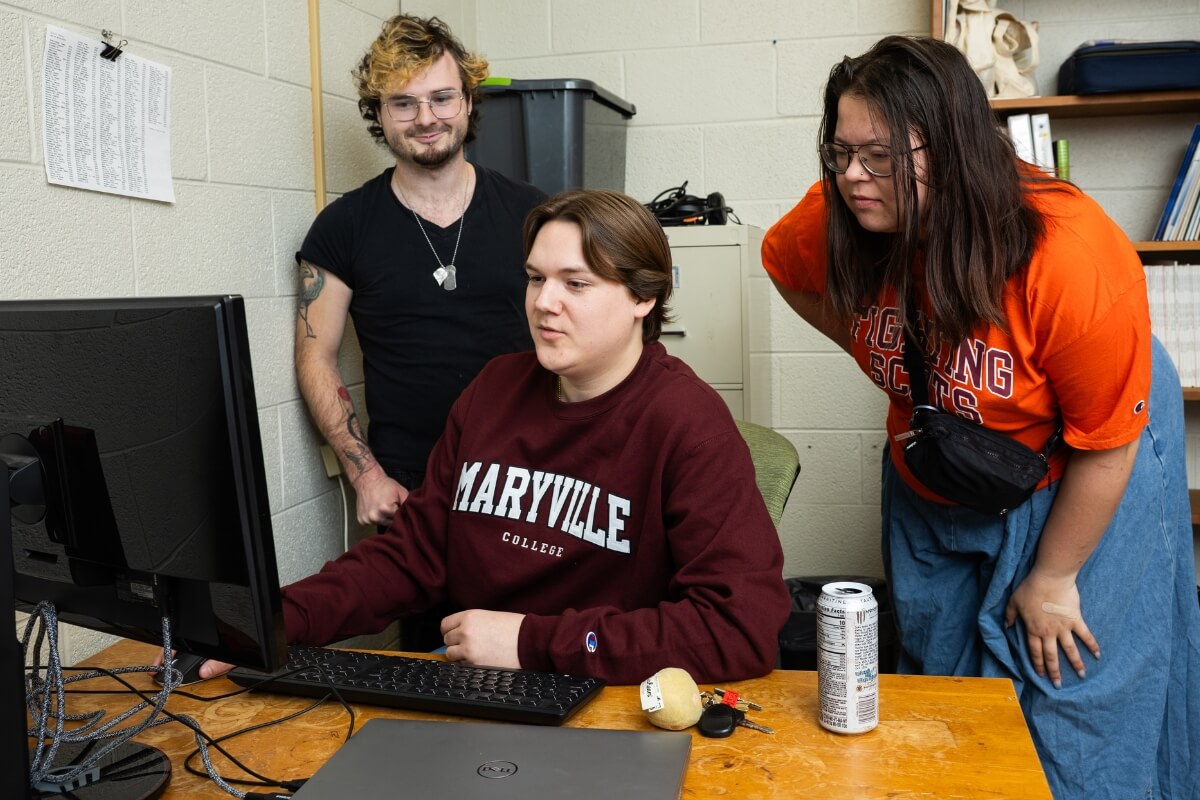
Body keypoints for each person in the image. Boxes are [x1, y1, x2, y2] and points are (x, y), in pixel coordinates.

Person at [762, 35, 1200, 800]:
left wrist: (1055, 579)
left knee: (1072, 686)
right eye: (839, 153)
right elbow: (786, 268)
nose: (852, 178)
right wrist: (879, 350)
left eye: (881, 157)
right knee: (944, 686)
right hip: (940, 463)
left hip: (1080, 459)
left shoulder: (1073, 256)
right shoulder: (840, 214)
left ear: (952, 146)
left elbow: (1107, 444)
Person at [205, 189, 790, 685]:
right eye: (535, 279)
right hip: (478, 683)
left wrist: (534, 643)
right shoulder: (496, 389)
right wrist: (270, 620)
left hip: (609, 696)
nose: (542, 303)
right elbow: (412, 556)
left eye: (575, 284)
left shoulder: (687, 422)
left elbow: (738, 628)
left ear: (643, 297)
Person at [296, 14, 546, 529]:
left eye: (442, 97)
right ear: (379, 115)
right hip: (411, 488)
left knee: (529, 613)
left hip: (532, 475)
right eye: (403, 103)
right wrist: (364, 476)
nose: (426, 118)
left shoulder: (533, 213)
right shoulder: (342, 227)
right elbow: (316, 357)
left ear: (469, 101)